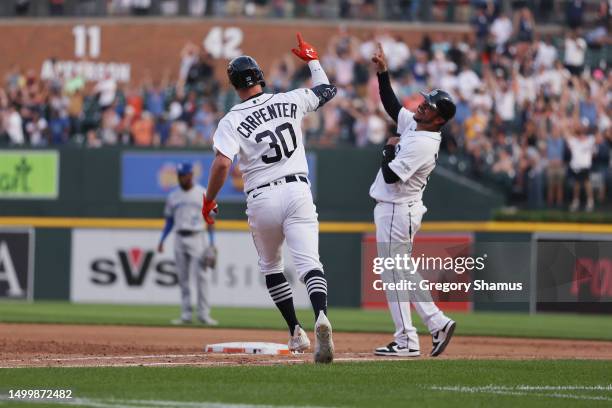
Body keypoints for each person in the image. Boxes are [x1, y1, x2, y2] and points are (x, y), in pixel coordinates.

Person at [201, 33, 337, 363]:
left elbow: (222, 163)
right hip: (298, 189)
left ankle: (295, 330)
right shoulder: (289, 99)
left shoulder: (231, 120)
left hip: (261, 196)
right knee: (309, 264)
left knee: (271, 267)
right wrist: (313, 59)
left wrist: (208, 200)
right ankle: (321, 315)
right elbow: (327, 91)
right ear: (260, 77)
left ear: (234, 85)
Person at [369, 43, 457, 357]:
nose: (423, 106)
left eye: (430, 106)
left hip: (397, 208)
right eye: (425, 102)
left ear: (439, 120)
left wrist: (387, 149)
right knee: (400, 271)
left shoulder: (423, 141)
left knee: (394, 273)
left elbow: (392, 176)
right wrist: (383, 73)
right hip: (398, 209)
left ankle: (407, 340)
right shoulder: (417, 125)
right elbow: (393, 106)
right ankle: (436, 322)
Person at [158, 163, 218, 325]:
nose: (181, 178)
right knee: (183, 278)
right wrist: (162, 240)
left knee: (202, 277)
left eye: (183, 175)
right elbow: (169, 221)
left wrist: (212, 243)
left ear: (191, 175)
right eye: (179, 175)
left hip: (198, 236)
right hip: (179, 237)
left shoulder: (202, 193)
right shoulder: (173, 196)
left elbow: (211, 220)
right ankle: (186, 314)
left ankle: (204, 314)